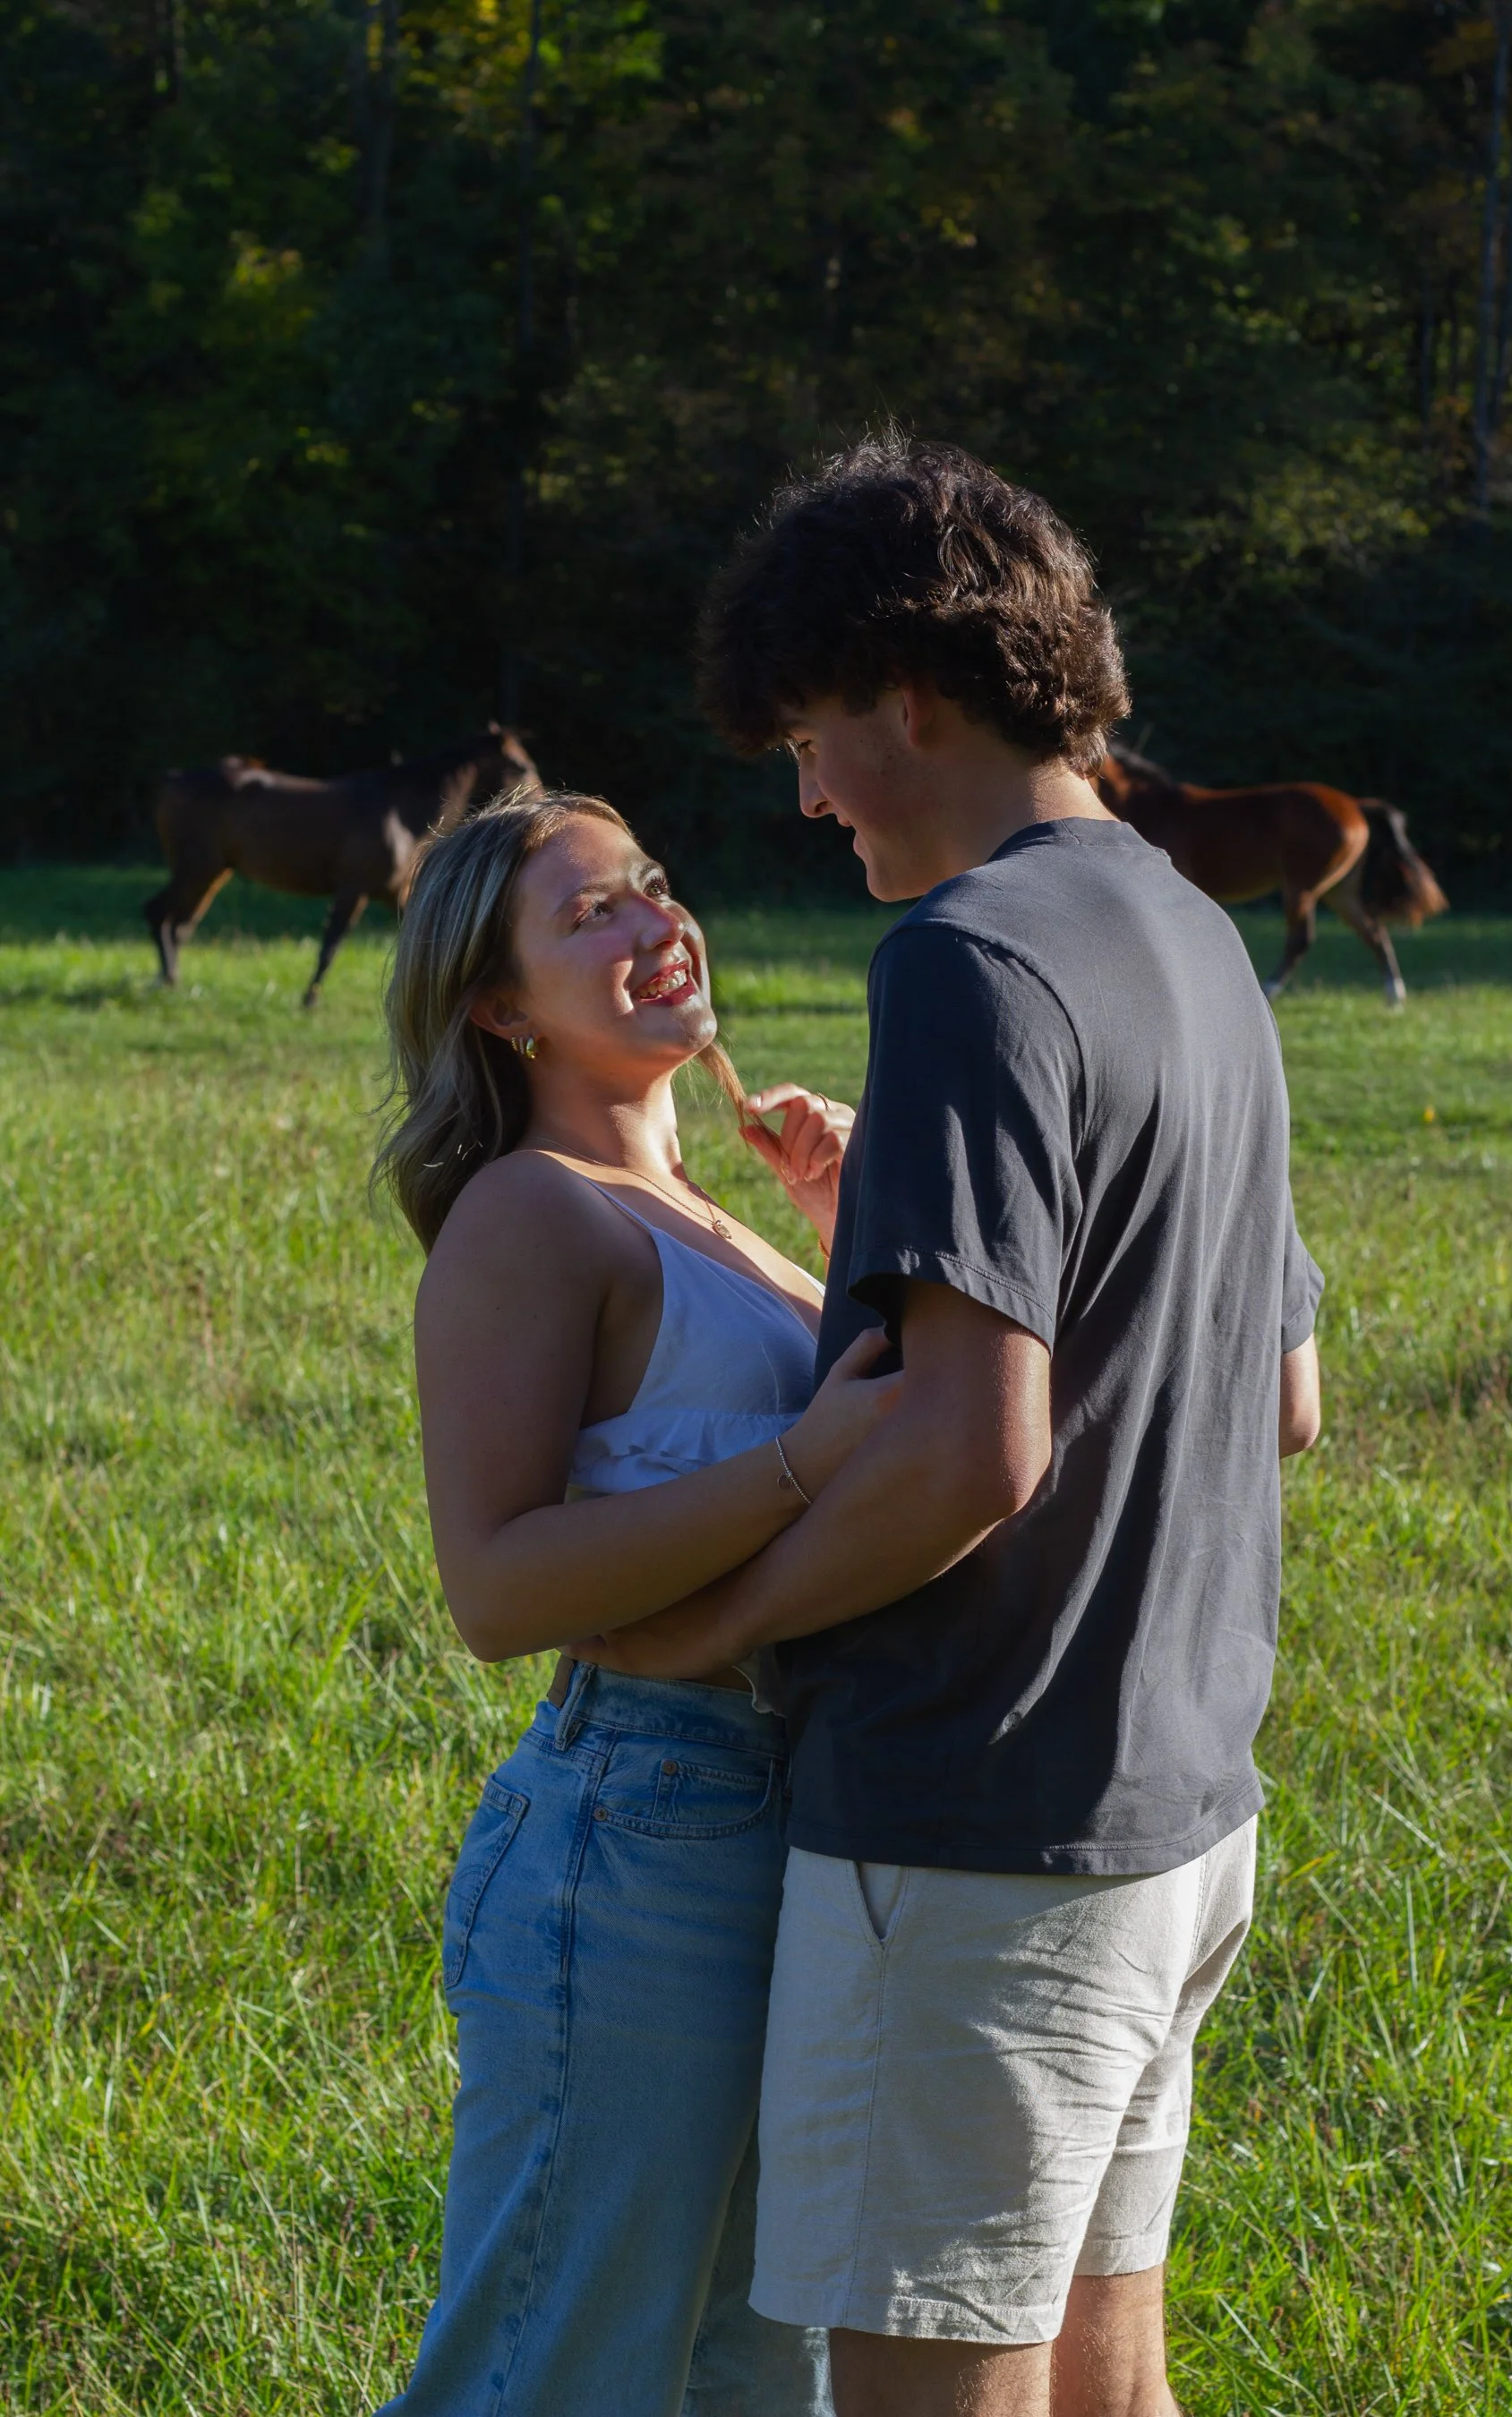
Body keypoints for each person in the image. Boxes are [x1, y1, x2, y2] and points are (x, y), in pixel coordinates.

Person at [582, 436, 1325, 2417]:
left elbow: (973, 1455)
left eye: (810, 738)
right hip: (1180, 1813)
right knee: (1111, 2389)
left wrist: (711, 1624)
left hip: (974, 1827)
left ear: (906, 695)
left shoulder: (967, 959)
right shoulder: (1195, 937)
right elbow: (1285, 1396)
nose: (809, 795)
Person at [369, 782, 893, 2417]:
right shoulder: (532, 1209)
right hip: (642, 1837)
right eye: (591, 912)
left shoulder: (721, 1221)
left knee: (757, 2379)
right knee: (551, 2375)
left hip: (802, 1822)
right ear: (499, 1007)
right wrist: (798, 1463)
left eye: (654, 885)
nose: (660, 923)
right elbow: (494, 1584)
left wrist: (844, 1238)